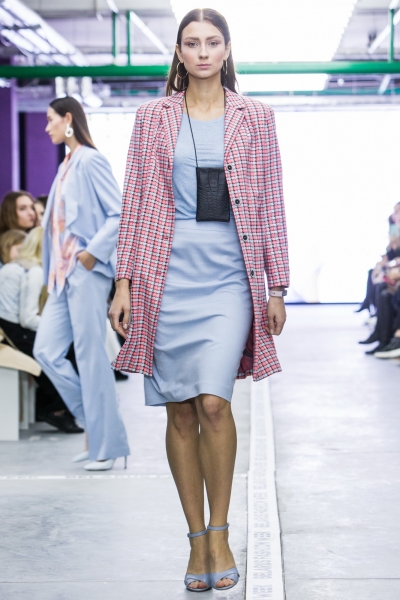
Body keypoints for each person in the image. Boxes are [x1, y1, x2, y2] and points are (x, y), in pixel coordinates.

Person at [109, 8, 289, 592]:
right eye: (192, 43)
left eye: (213, 42)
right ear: (179, 52)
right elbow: (137, 199)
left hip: (231, 273)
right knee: (180, 409)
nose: (204, 52)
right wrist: (123, 281)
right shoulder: (152, 117)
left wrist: (277, 285)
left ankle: (220, 532)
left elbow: (270, 201)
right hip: (165, 272)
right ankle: (195, 541)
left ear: (227, 49)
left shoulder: (256, 118)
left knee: (213, 402)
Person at [33, 96, 130, 471]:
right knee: (46, 351)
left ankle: (105, 445)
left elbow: (118, 213)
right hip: (61, 277)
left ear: (68, 119)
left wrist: (92, 253)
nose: (47, 127)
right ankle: (99, 425)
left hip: (85, 271)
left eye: (51, 120)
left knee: (91, 357)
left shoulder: (90, 160)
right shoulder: (67, 165)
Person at [0, 227, 82, 433]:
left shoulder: (19, 268)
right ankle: (57, 409)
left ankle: (57, 407)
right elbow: (27, 317)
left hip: (10, 328)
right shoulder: (34, 271)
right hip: (13, 330)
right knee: (58, 354)